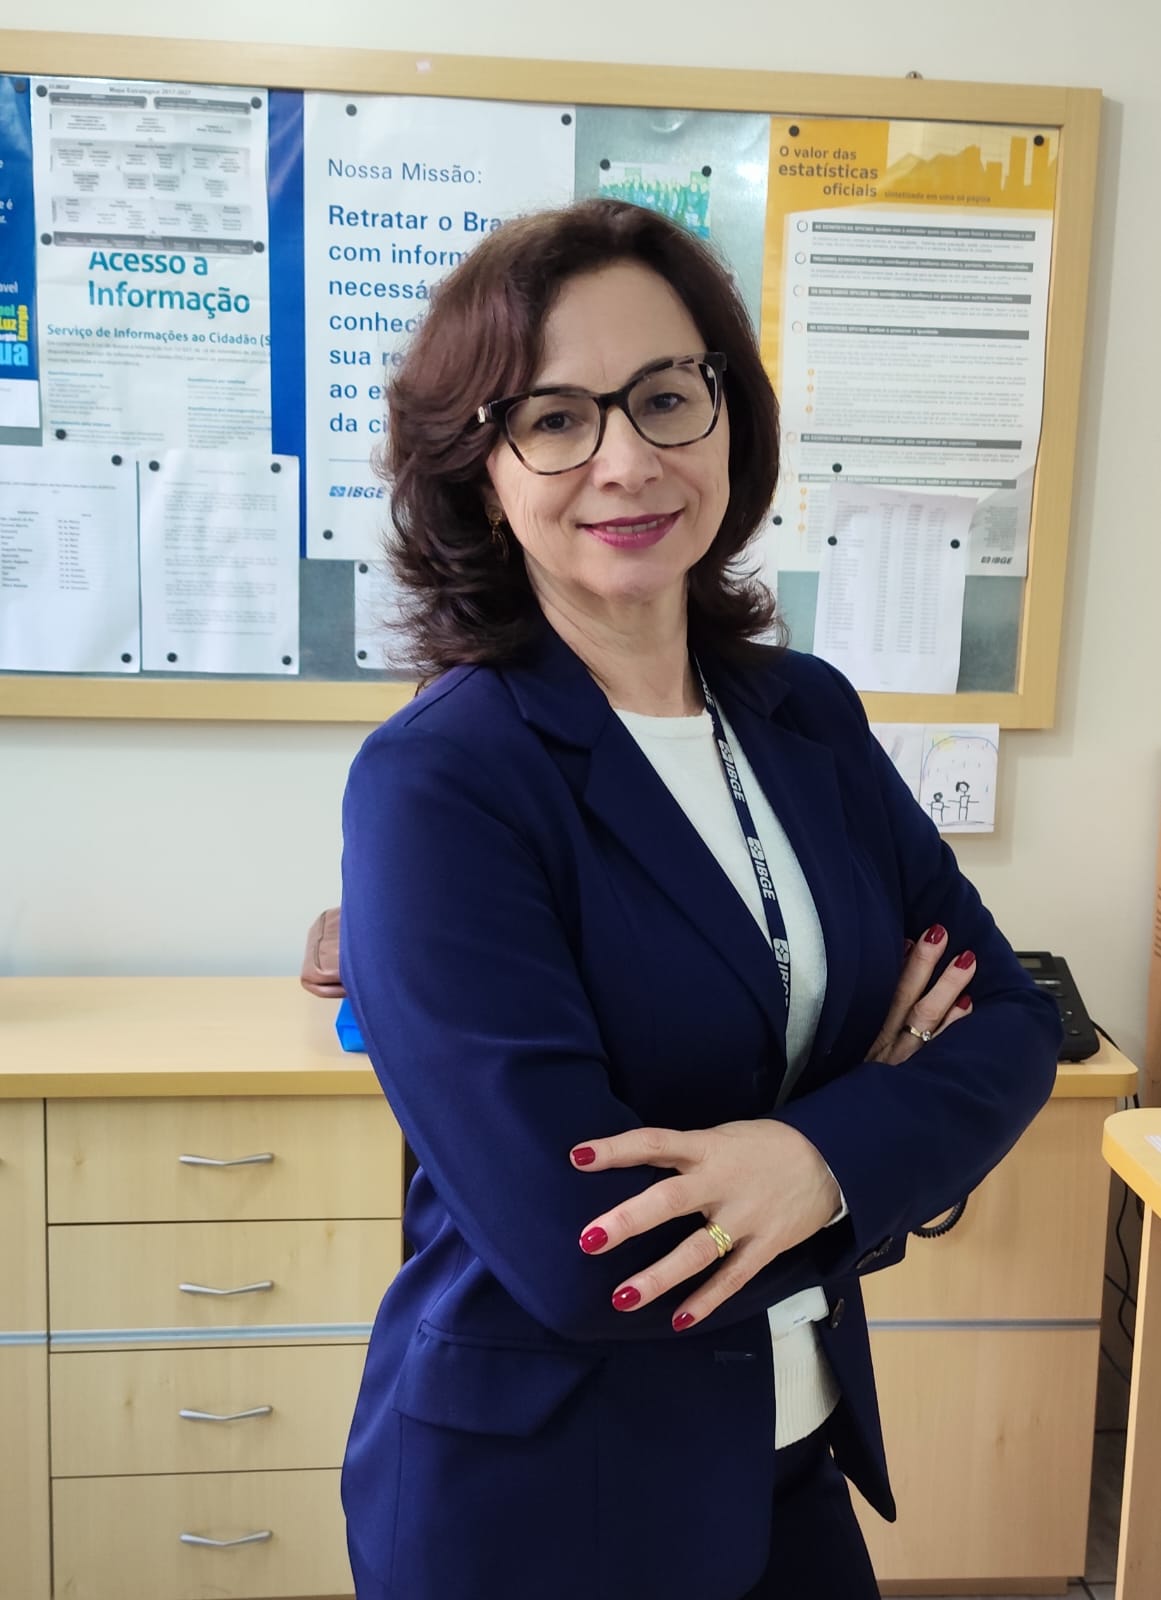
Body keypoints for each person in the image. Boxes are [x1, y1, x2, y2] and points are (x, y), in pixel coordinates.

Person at [338, 198, 1061, 1600]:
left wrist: (809, 1161)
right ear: (480, 472)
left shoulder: (803, 716)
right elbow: (579, 1247)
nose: (627, 460)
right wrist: (872, 1114)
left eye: (666, 398)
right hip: (549, 1499)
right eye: (554, 419)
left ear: (730, 419)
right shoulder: (443, 781)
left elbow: (1013, 1024)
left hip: (788, 1458)